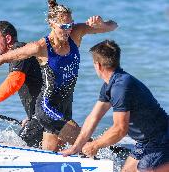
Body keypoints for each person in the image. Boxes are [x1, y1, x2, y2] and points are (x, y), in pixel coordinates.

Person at [0, 0, 118, 151]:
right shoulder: (40, 47)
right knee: (87, 145)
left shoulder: (75, 33)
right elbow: (5, 57)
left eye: (71, 24)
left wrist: (101, 24)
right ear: (52, 24)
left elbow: (113, 25)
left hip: (65, 104)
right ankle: (109, 155)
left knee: (50, 155)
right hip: (47, 107)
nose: (68, 30)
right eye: (64, 26)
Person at [60, 40, 169, 172]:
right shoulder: (110, 84)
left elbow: (120, 130)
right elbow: (94, 117)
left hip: (161, 138)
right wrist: (76, 146)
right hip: (146, 141)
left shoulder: (121, 86)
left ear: (98, 65)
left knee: (145, 169)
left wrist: (95, 145)